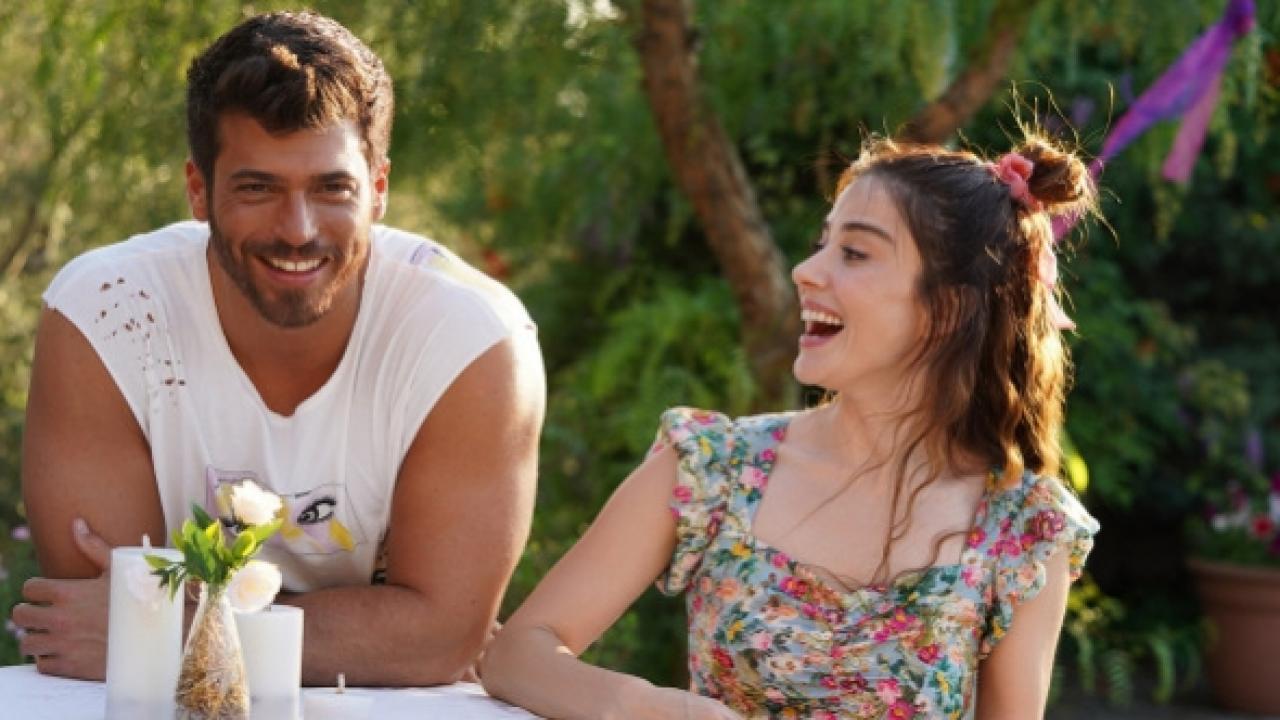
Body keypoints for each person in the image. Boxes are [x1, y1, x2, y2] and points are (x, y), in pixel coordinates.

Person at [480, 134, 1101, 718]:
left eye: (854, 253)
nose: (806, 270)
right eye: (821, 244)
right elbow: (519, 654)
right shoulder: (713, 467)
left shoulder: (1024, 529)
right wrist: (655, 709)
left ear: (948, 309)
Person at [14, 11, 545, 686]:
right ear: (199, 190)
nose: (297, 230)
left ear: (379, 190)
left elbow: (436, 641)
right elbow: (91, 626)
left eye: (332, 188)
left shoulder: (471, 340)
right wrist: (366, 632)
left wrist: (173, 628)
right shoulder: (107, 314)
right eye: (257, 188)